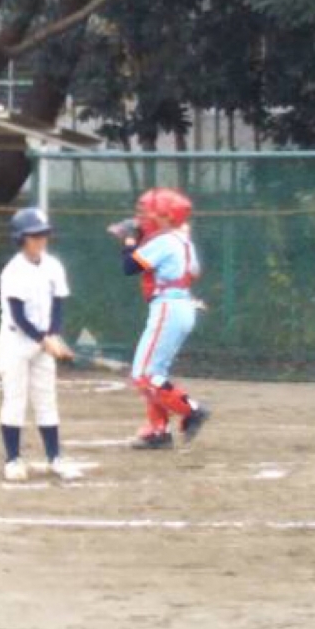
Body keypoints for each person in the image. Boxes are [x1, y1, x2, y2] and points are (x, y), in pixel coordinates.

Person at [111, 188, 210, 450]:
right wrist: (141, 238)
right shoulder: (182, 241)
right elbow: (193, 272)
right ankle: (158, 432)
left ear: (167, 216)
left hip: (169, 307)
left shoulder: (166, 240)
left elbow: (129, 266)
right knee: (155, 373)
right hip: (179, 305)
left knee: (144, 376)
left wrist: (129, 241)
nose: (145, 218)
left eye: (151, 213)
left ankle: (192, 410)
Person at [0, 208, 81, 482]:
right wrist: (44, 339)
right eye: (34, 236)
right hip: (16, 342)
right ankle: (12, 460)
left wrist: (53, 334)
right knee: (15, 400)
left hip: (43, 340)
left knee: (46, 399)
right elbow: (18, 316)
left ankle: (55, 458)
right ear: (21, 238)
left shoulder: (53, 265)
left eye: (43, 235)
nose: (40, 240)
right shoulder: (13, 270)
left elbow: (58, 304)